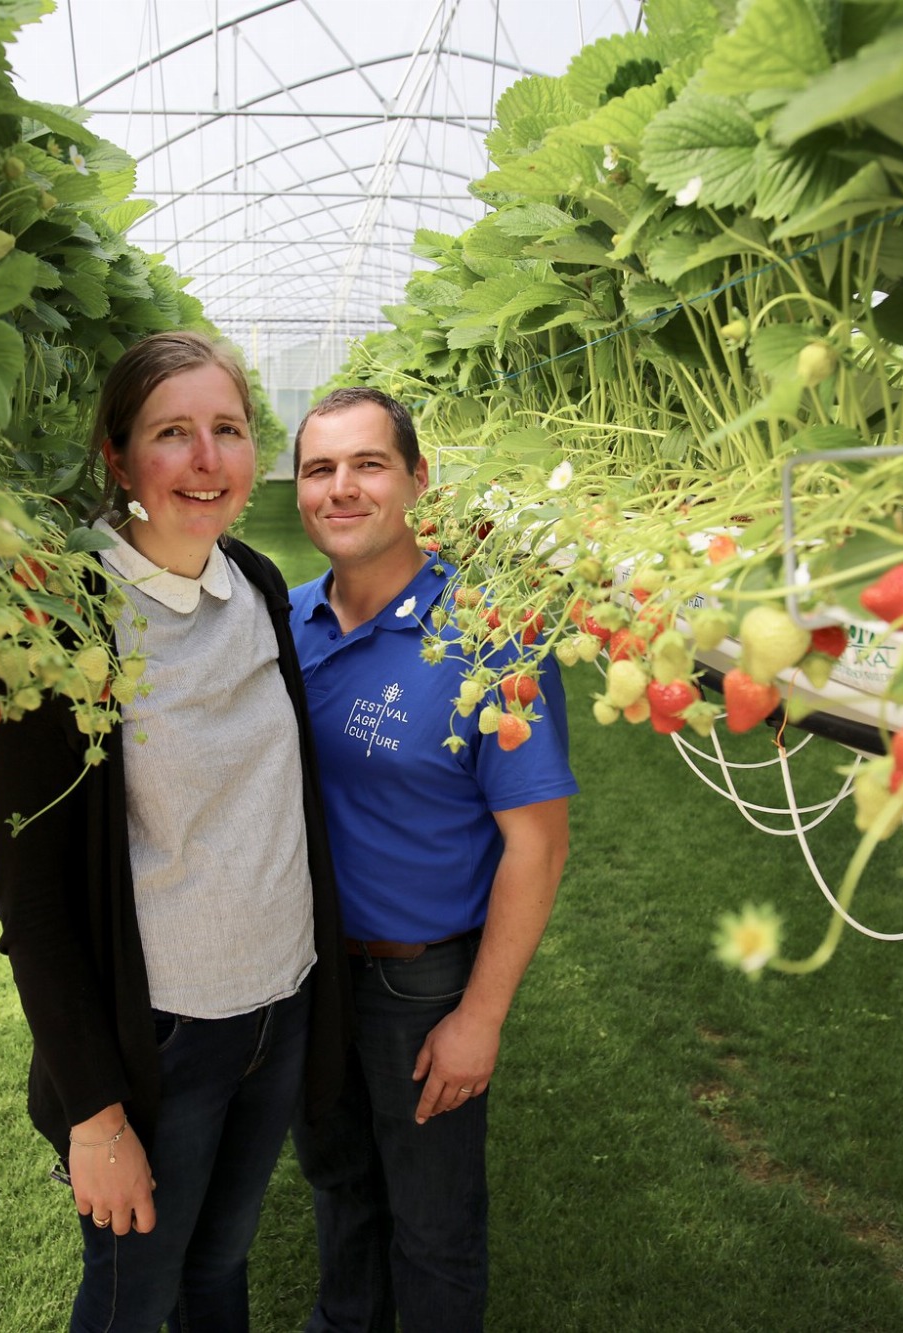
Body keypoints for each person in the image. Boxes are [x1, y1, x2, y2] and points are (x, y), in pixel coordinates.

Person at [0, 331, 350, 1333]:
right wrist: (96, 1115)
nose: (206, 460)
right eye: (172, 434)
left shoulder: (259, 587)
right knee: (129, 1299)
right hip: (161, 1036)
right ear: (116, 455)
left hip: (278, 1004)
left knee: (218, 1265)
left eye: (226, 430)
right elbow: (35, 904)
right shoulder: (58, 625)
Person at [287, 386, 577, 1332]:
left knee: (434, 1228)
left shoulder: (493, 634)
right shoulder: (282, 624)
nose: (342, 488)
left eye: (368, 464)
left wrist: (480, 1017)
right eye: (319, 469)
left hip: (423, 987)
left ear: (418, 479)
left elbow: (537, 842)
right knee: (343, 1199)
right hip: (307, 974)